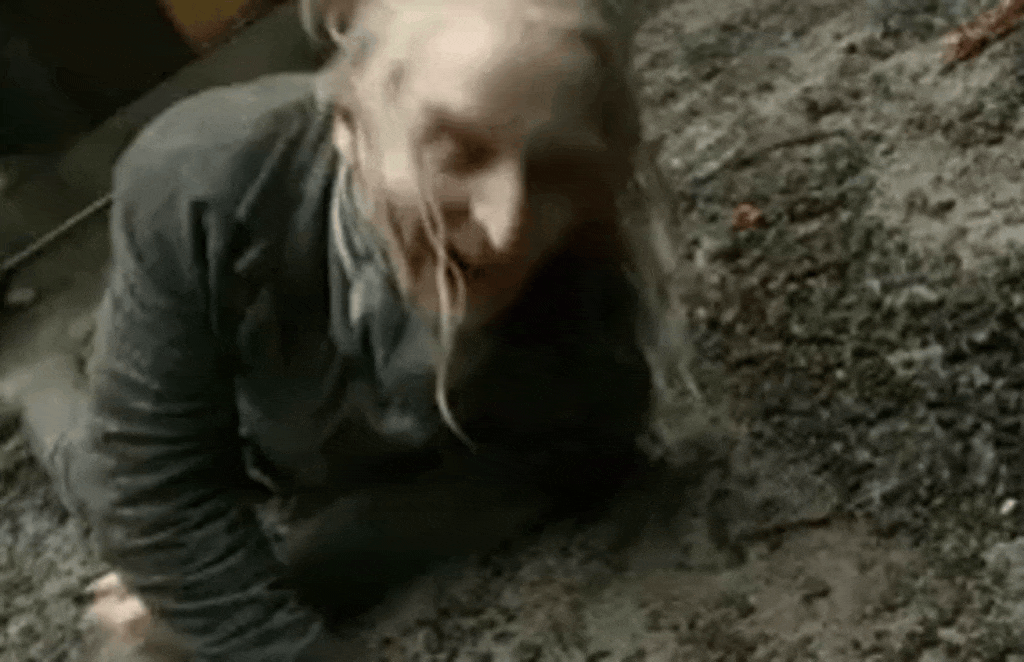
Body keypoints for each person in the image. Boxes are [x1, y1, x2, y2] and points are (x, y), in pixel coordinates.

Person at [13, 0, 658, 659]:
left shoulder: (582, 279)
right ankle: (37, 381)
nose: (505, 230)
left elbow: (567, 456)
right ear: (350, 127)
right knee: (103, 481)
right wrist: (216, 599)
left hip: (365, 430)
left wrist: (283, 580)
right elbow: (155, 493)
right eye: (458, 153)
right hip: (242, 402)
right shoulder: (198, 172)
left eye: (551, 171)